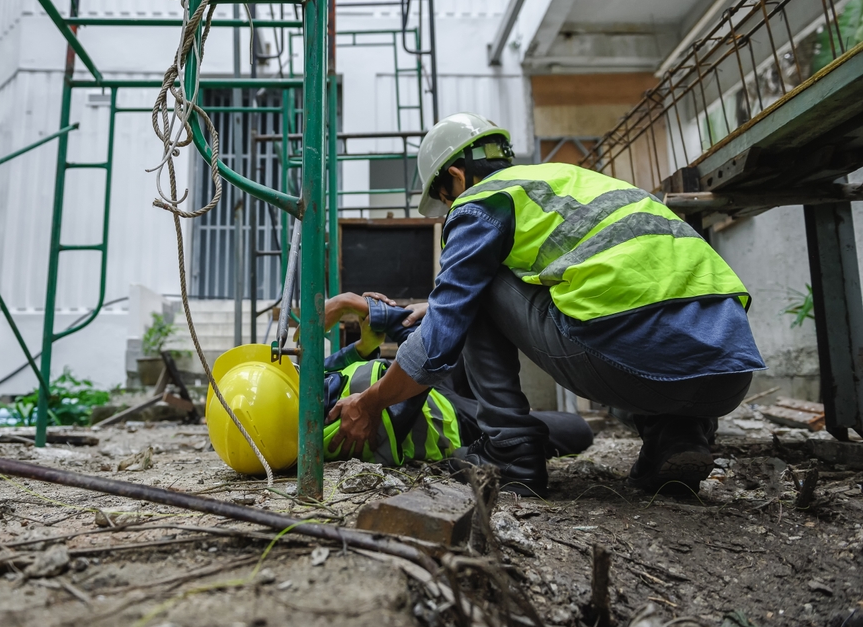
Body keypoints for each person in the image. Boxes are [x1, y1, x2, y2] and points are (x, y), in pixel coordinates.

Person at [325, 112, 765, 496]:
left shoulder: (479, 201)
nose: (448, 213)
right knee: (640, 316)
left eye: (444, 202)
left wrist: (368, 404)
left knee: (478, 285)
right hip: (727, 372)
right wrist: (433, 305)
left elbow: (439, 344)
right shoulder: (569, 183)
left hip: (636, 362)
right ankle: (679, 435)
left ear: (455, 179)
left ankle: (511, 452)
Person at [320, 293, 593, 471]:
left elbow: (330, 368)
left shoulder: (308, 386)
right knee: (577, 429)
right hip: (451, 419)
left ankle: (503, 409)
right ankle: (504, 418)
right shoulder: (339, 418)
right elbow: (423, 353)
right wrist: (361, 306)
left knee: (474, 307)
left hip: (430, 386)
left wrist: (365, 344)